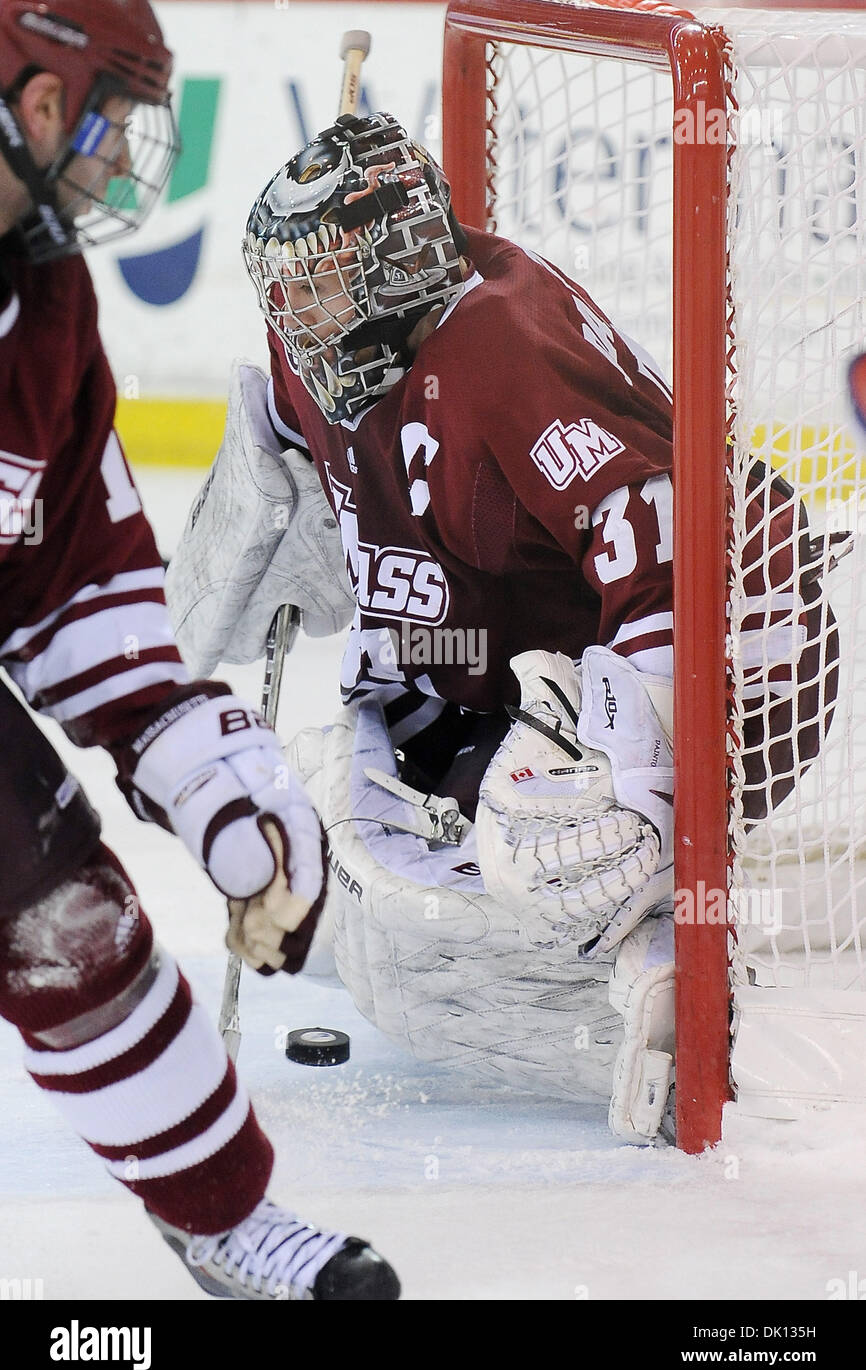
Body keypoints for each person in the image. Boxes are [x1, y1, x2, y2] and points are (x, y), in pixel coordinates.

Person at [167, 111, 833, 1144]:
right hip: (516, 652)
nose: (301, 311)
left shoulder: (500, 347)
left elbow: (663, 534)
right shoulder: (319, 346)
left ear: (404, 266)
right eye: (285, 287)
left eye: (328, 281)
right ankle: (575, 890)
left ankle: (673, 949)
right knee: (335, 773)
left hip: (726, 634)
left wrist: (651, 770)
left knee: (558, 828)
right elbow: (316, 452)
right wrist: (278, 480)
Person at [0, 2, 399, 1301]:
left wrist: (204, 764)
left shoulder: (42, 301)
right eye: (113, 112)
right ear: (45, 102)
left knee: (67, 917)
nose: (124, 157)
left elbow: (74, 569)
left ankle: (221, 1214)